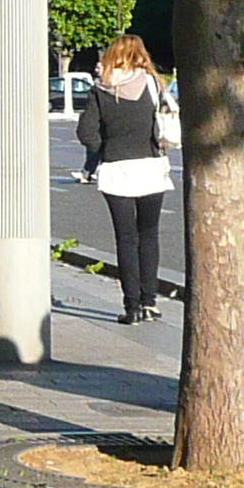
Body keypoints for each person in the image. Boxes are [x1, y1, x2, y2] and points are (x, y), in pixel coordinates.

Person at [77, 35, 173, 326]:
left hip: (116, 167)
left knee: (126, 238)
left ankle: (131, 307)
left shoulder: (100, 89)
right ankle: (150, 302)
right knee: (149, 235)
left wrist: (103, 150)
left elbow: (86, 133)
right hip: (150, 165)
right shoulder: (152, 84)